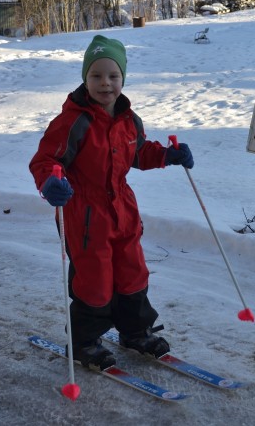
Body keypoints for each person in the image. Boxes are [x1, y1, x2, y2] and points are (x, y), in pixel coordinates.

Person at [29, 35, 194, 370]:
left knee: (133, 273)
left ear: (123, 79)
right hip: (84, 212)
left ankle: (135, 331)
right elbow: (45, 160)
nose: (105, 83)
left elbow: (139, 151)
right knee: (95, 280)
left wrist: (167, 155)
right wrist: (50, 182)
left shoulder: (128, 119)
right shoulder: (73, 121)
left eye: (113, 76)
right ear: (85, 79)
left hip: (122, 207)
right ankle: (85, 341)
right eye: (96, 76)